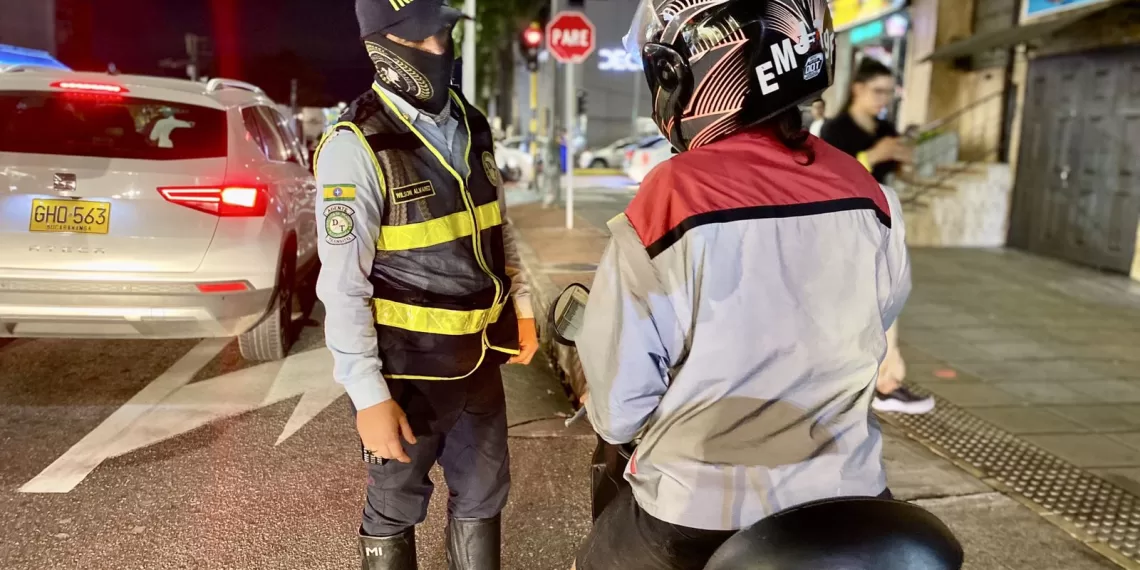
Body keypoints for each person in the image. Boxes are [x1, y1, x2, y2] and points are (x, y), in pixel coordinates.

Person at [571, 2, 911, 569]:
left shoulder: (671, 200)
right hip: (851, 499)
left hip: (702, 515)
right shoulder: (871, 194)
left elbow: (620, 408)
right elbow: (880, 317)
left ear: (695, 74)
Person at [313, 1, 539, 568]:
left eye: (443, 35)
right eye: (425, 39)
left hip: (481, 360)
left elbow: (497, 228)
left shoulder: (471, 123)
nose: (441, 50)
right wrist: (368, 398)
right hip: (405, 374)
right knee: (394, 507)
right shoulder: (355, 146)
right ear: (383, 47)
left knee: (485, 498)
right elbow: (342, 288)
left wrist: (526, 309)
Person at [820, 57, 934, 415]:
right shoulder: (835, 130)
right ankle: (875, 382)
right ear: (858, 88)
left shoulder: (885, 127)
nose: (883, 98)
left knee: (887, 300)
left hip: (883, 221)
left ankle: (882, 382)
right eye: (878, 90)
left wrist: (908, 157)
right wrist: (869, 157)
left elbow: (900, 174)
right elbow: (831, 178)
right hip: (846, 225)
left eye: (889, 91)